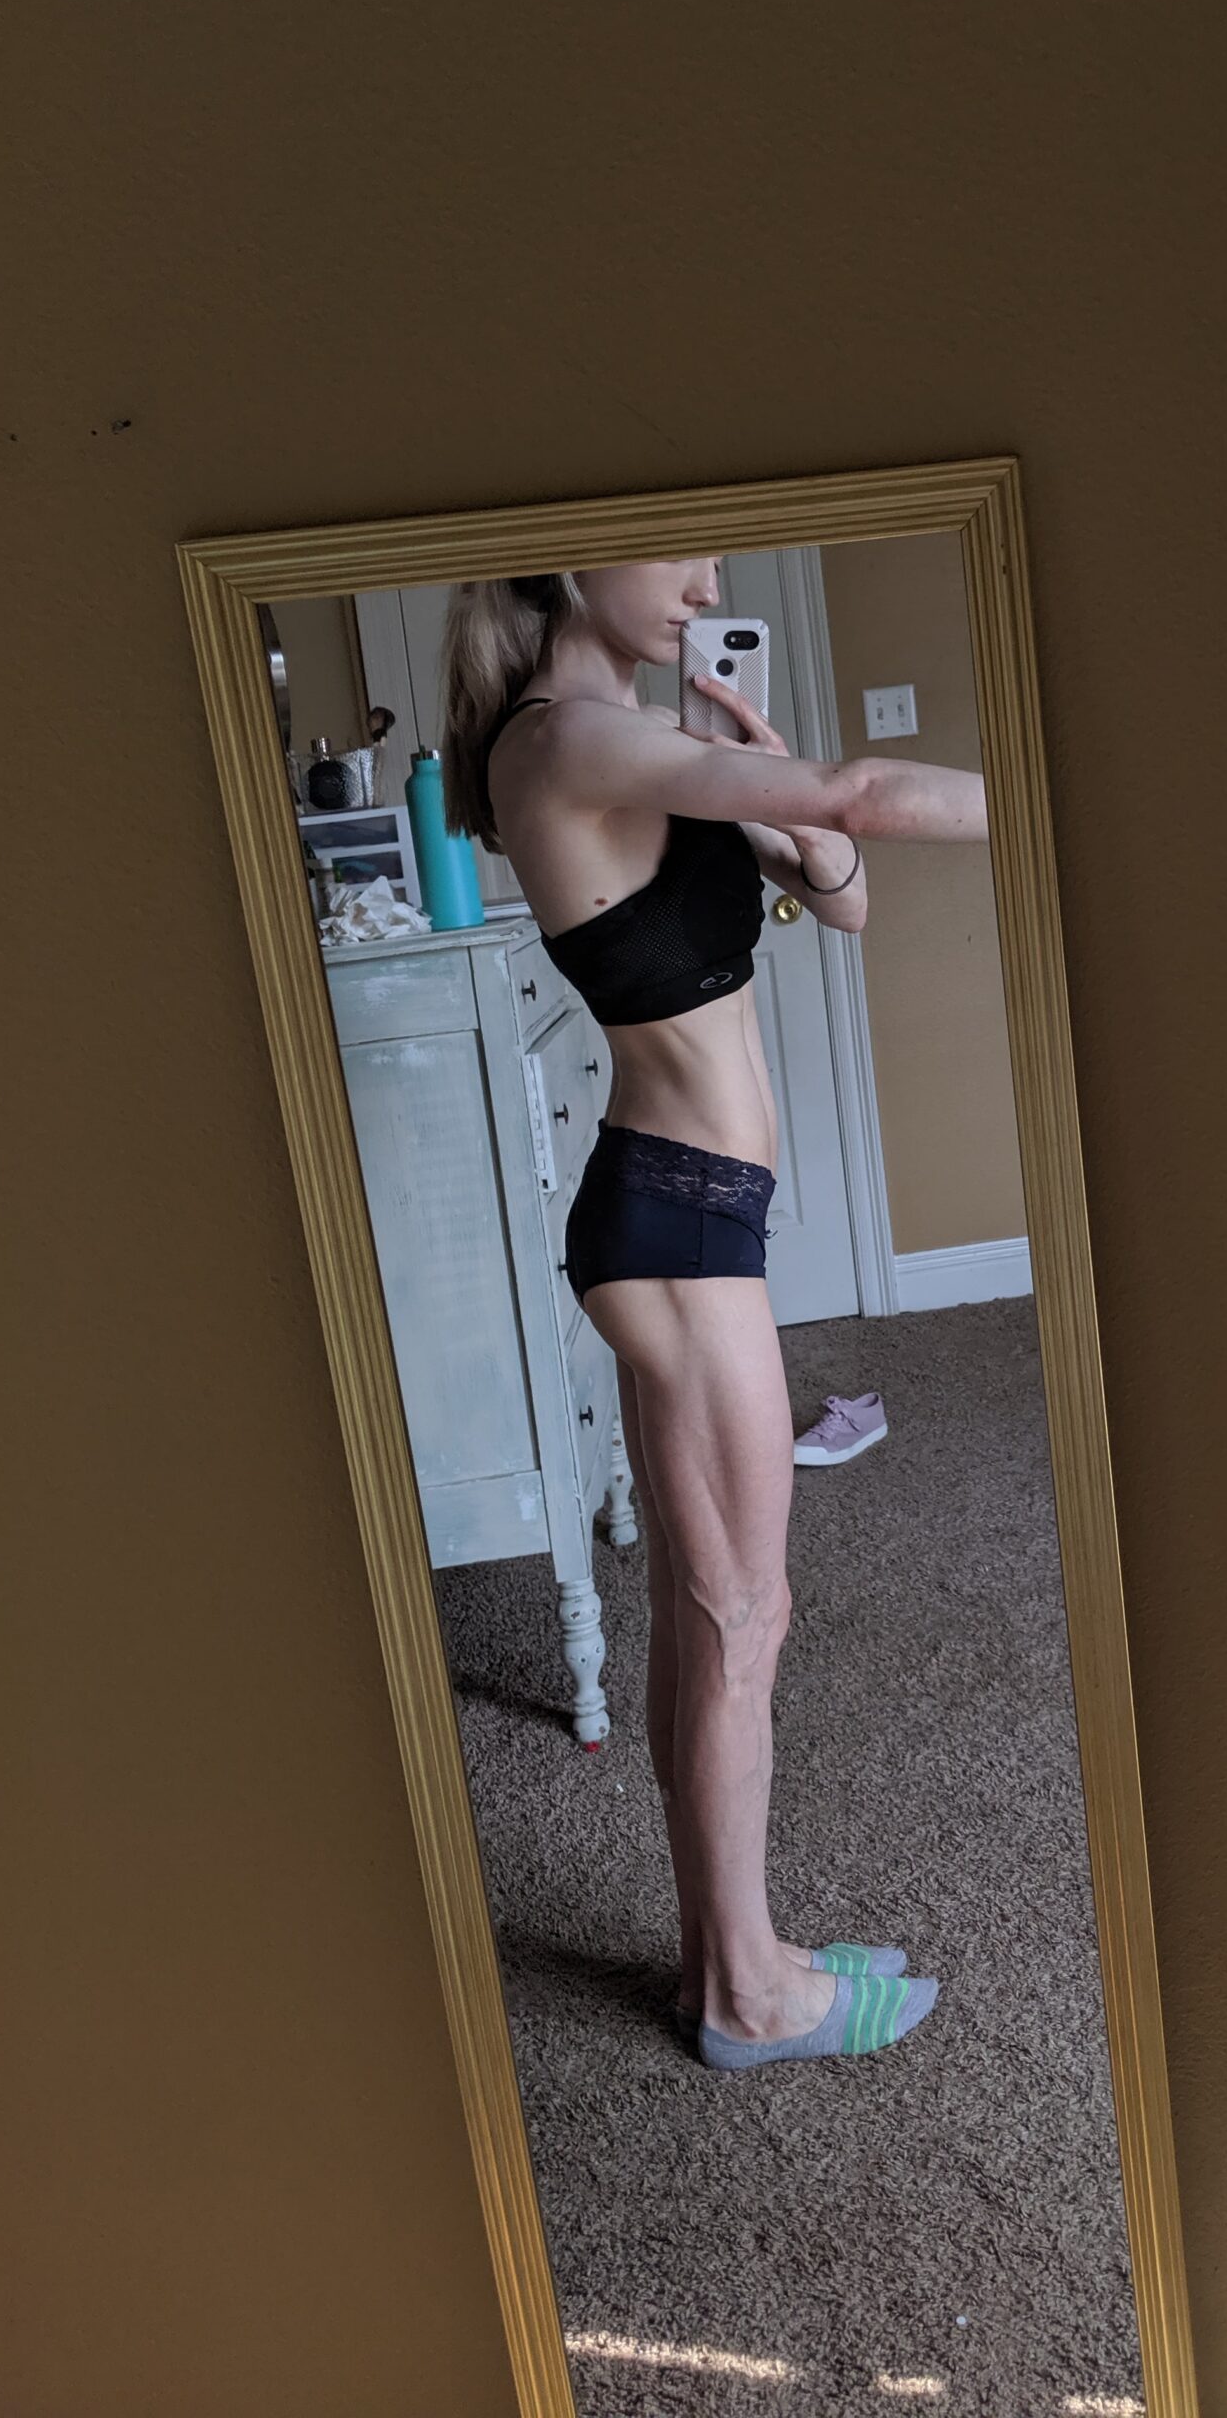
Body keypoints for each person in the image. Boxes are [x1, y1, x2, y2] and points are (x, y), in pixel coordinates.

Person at [438, 559, 988, 2069]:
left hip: (691, 1216)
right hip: (673, 1224)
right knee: (747, 1614)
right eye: (671, 550)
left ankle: (716, 1964)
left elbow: (846, 897)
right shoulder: (562, 740)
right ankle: (751, 1998)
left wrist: (770, 779)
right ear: (570, 561)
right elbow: (865, 791)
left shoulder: (645, 747)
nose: (707, 581)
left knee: (709, 1608)